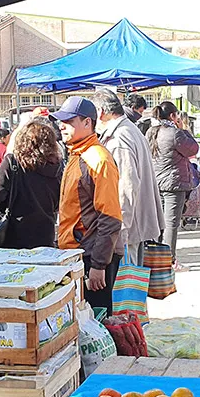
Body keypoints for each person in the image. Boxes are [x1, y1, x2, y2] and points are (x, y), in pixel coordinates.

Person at [53, 97, 122, 316]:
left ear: (87, 123)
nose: (61, 126)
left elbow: (110, 217)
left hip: (91, 255)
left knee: (97, 322)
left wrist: (99, 265)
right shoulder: (77, 154)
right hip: (76, 253)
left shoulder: (97, 158)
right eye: (61, 121)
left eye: (69, 121)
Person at [94, 91, 163, 266]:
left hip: (130, 226)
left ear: (101, 112)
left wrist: (120, 230)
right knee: (131, 284)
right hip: (136, 223)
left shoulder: (119, 138)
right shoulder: (129, 129)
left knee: (127, 285)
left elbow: (127, 187)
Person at [0, 118, 64, 249]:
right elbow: (59, 201)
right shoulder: (57, 166)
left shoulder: (13, 161)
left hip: (12, 235)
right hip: (45, 235)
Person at [147, 102, 199, 265]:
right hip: (173, 184)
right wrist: (184, 129)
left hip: (156, 182)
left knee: (158, 223)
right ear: (172, 116)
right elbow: (193, 149)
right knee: (171, 224)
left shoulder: (151, 132)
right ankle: (169, 261)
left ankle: (156, 259)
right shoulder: (175, 133)